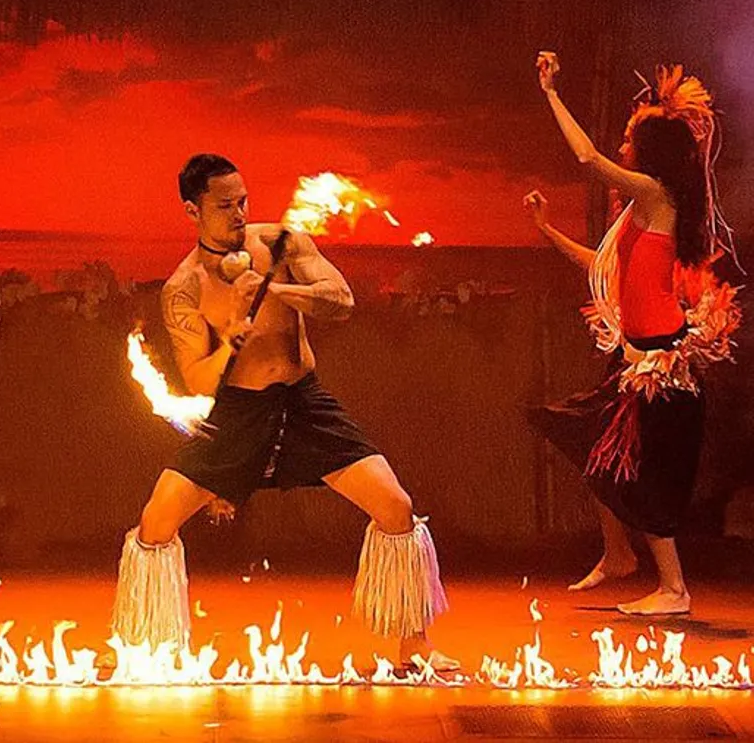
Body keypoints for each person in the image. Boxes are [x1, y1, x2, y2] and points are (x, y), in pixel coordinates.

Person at [112, 153, 456, 670]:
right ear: (192, 211)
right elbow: (198, 380)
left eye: (243, 202)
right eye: (224, 205)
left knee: (395, 506)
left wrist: (275, 290)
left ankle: (414, 645)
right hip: (239, 414)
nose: (239, 214)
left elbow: (339, 300)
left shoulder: (282, 243)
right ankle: (146, 651)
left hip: (302, 402)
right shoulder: (183, 287)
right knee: (155, 522)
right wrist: (229, 338)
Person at [524, 51, 740, 616]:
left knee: (647, 479)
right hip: (632, 361)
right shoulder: (639, 214)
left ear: (648, 155)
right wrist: (547, 230)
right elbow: (599, 263)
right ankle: (618, 555)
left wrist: (550, 92)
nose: (622, 145)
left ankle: (674, 590)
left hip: (660, 366)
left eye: (629, 140)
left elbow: (587, 158)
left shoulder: (655, 194)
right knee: (599, 452)